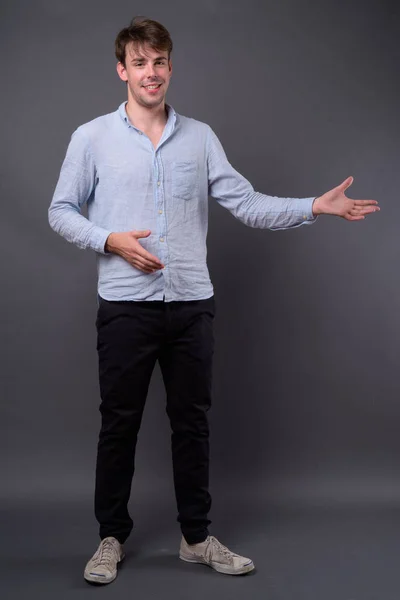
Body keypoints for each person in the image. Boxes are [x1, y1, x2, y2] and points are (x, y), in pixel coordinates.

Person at [48, 16, 379, 585]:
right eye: (140, 63)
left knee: (192, 424)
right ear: (122, 70)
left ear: (170, 67)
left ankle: (196, 539)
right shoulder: (91, 138)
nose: (151, 73)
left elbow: (246, 203)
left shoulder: (199, 138)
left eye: (160, 62)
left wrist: (313, 207)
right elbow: (60, 211)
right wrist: (110, 240)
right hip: (125, 307)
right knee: (118, 424)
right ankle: (111, 538)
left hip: (191, 306)